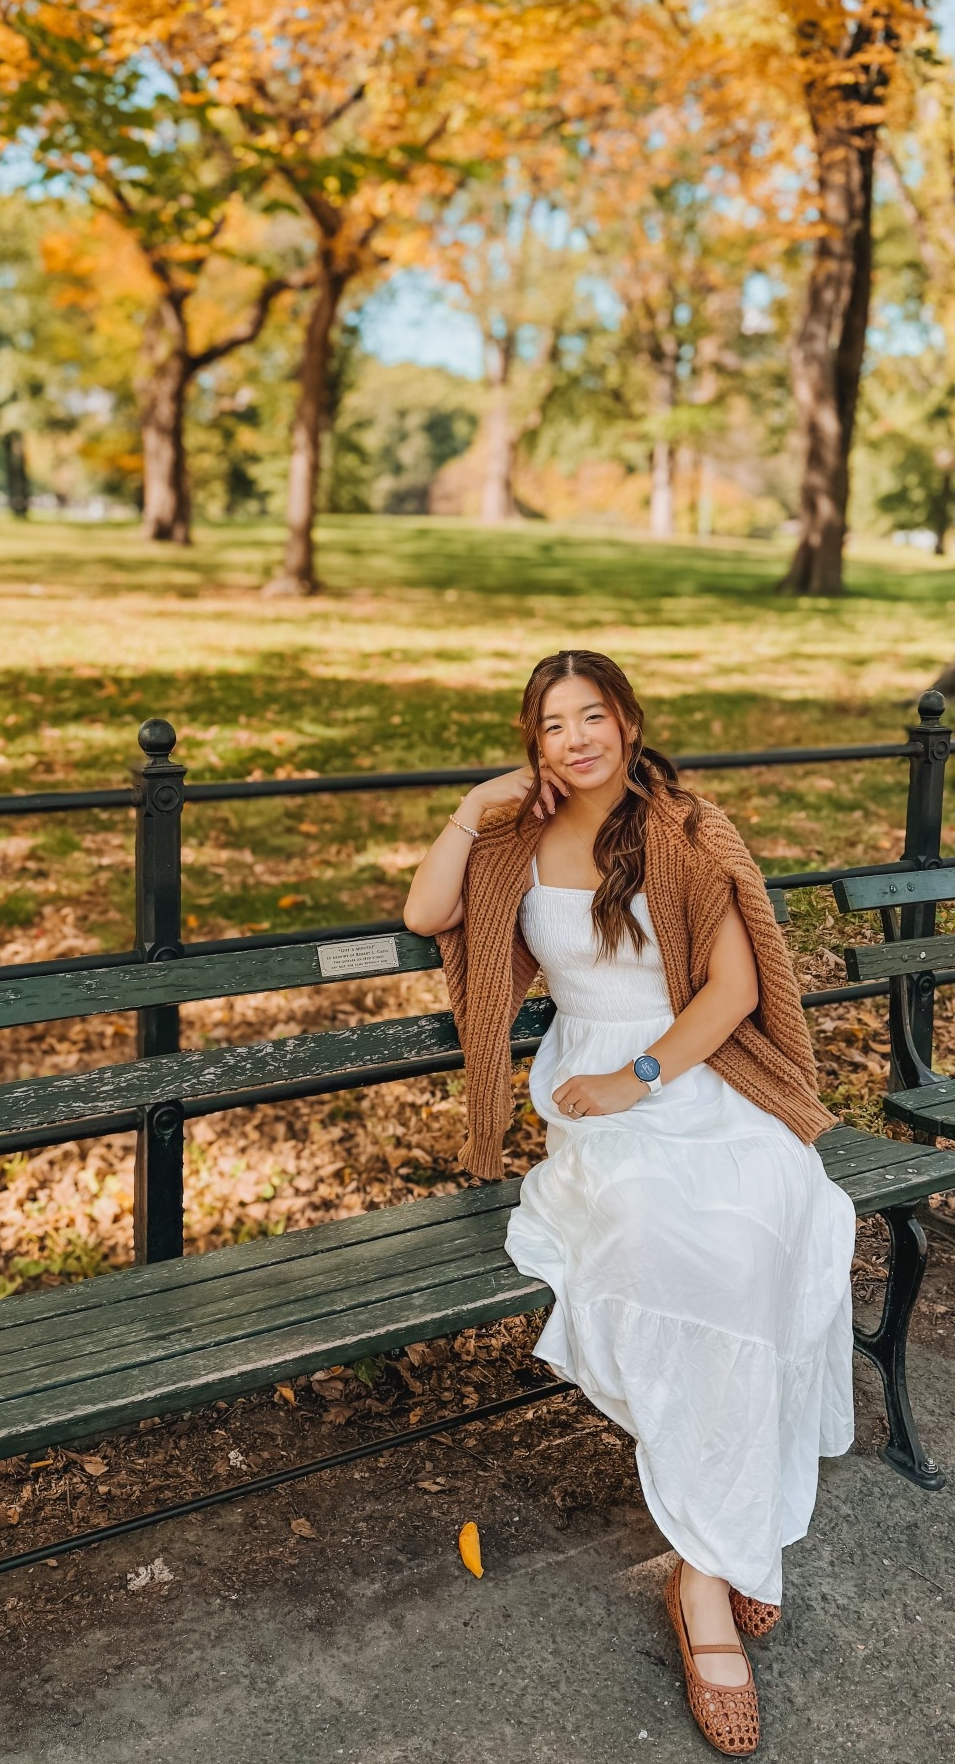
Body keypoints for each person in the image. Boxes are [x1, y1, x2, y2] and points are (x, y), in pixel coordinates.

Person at [404, 649, 855, 1757]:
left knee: (765, 1229)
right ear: (533, 742)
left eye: (591, 715)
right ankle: (730, 1549)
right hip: (594, 1108)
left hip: (694, 1078)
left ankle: (705, 1568)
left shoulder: (691, 828)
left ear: (629, 718)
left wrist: (639, 1076)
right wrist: (471, 809)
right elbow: (425, 915)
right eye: (550, 724)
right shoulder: (512, 835)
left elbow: (737, 991)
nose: (574, 738)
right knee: (668, 1242)